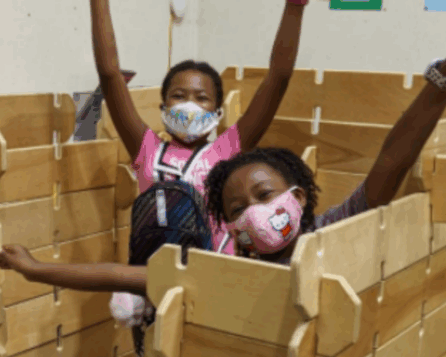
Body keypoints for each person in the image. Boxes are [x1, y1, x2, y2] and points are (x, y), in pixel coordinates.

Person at [0, 0, 446, 357]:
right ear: (228, 222)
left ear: (298, 196)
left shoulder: (309, 223)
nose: (256, 212)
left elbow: (390, 160)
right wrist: (35, 268)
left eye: (265, 195)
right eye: (237, 208)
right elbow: (121, 273)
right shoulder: (222, 264)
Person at [91, 0, 309, 329]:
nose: (190, 104)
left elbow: (277, 79)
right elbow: (109, 75)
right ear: (163, 105)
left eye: (202, 97)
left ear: (217, 112)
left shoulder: (229, 150)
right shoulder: (147, 149)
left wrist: (295, 8)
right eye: (179, 95)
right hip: (157, 288)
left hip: (216, 283)